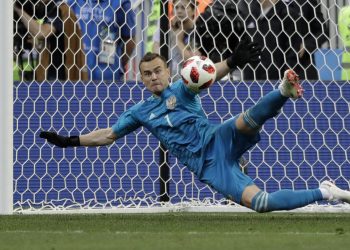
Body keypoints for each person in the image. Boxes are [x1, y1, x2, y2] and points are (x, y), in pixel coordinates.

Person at [39, 40, 350, 212]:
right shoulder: (140, 112)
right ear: (141, 77)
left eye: (158, 70)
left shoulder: (182, 88)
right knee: (262, 204)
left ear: (167, 69)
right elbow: (107, 135)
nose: (153, 77)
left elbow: (206, 79)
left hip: (218, 138)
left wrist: (232, 61)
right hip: (209, 166)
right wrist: (70, 141)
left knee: (244, 122)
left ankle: (283, 90)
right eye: (146, 74)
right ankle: (326, 192)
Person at [14, 0, 88, 82]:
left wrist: (18, 9)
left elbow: (42, 33)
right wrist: (39, 45)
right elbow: (58, 43)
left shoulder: (61, 10)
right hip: (58, 76)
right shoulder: (57, 9)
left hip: (59, 79)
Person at [67, 0, 136, 82]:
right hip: (78, 75)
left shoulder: (121, 4)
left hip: (108, 76)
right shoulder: (73, 3)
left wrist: (118, 64)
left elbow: (129, 39)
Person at [238, 0, 306, 81]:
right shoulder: (248, 13)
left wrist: (286, 82)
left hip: (277, 81)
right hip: (251, 81)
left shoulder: (288, 15)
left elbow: (293, 54)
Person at [153, 0, 199, 81]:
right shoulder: (166, 29)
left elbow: (192, 62)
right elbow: (156, 51)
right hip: (168, 82)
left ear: (193, 11)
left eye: (183, 7)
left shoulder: (199, 31)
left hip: (190, 83)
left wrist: (178, 40)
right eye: (176, 7)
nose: (179, 11)